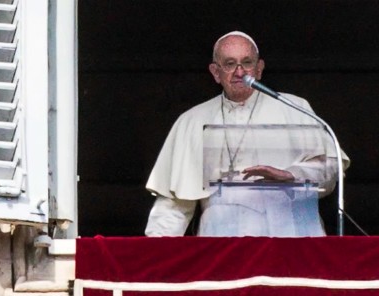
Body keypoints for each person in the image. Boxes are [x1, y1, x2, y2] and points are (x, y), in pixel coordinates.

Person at [145, 31, 349, 237]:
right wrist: (155, 250)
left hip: (289, 234)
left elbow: (330, 170)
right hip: (221, 238)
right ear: (216, 72)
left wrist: (292, 175)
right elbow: (173, 205)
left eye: (247, 62)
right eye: (230, 63)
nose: (239, 72)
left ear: (259, 69)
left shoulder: (295, 108)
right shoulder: (191, 120)